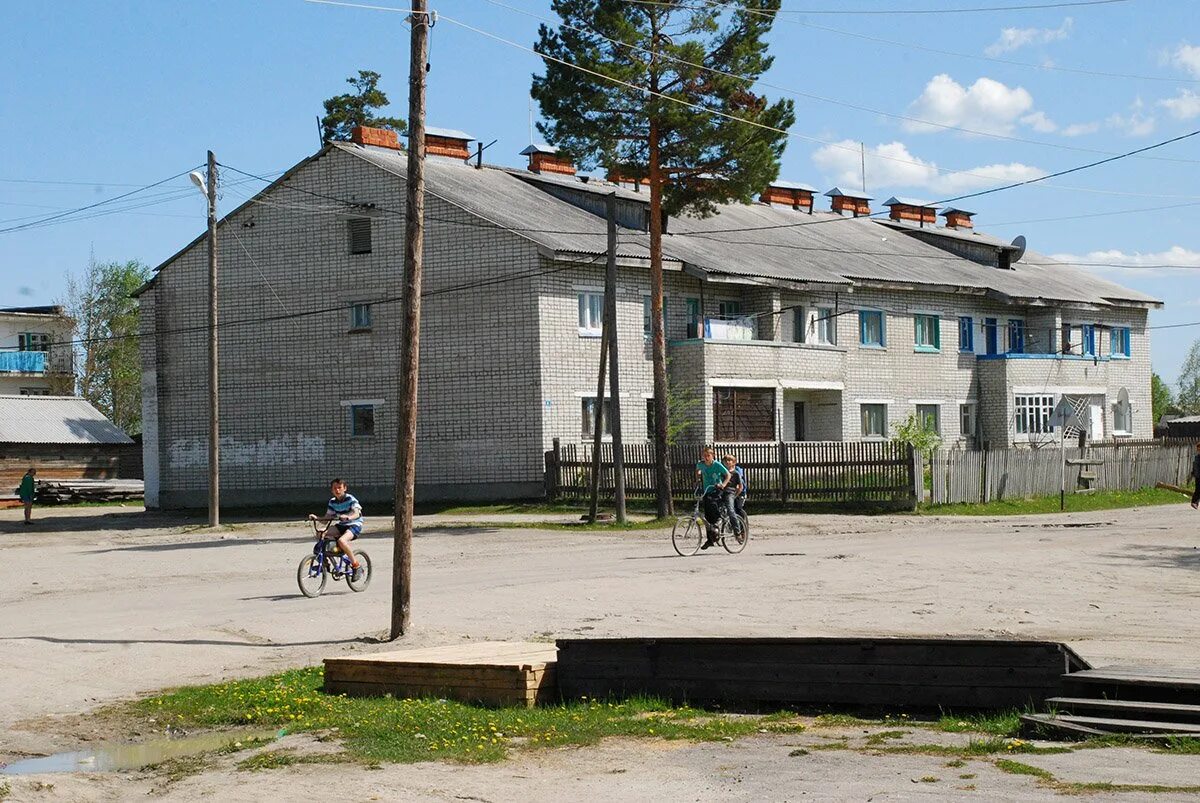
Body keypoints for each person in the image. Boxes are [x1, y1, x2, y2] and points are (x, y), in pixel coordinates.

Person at [309, 478, 364, 578]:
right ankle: (324, 563)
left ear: (345, 488)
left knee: (342, 541)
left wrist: (348, 517)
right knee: (321, 533)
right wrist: (316, 518)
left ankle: (356, 566)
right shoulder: (332, 502)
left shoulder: (350, 499)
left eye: (339, 488)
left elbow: (357, 513)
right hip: (342, 525)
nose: (337, 490)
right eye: (335, 488)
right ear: (332, 490)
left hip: (354, 525)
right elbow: (327, 519)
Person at [694, 447, 729, 549]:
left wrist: (723, 484)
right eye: (704, 455)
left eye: (708, 455)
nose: (706, 457)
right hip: (706, 490)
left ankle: (719, 519)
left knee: (712, 502)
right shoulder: (700, 464)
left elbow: (728, 475)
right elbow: (697, 471)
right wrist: (698, 478)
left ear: (712, 456)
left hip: (716, 489)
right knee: (707, 518)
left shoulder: (717, 464)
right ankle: (710, 540)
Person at [722, 454, 748, 532]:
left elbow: (740, 485)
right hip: (729, 492)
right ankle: (729, 525)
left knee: (738, 509)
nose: (727, 462)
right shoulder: (723, 471)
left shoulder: (737, 471)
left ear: (734, 462)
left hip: (740, 493)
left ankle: (742, 529)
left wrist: (736, 494)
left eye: (729, 460)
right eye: (726, 461)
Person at [1191, 443, 1200, 510]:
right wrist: (1194, 473)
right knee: (1198, 489)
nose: (1199, 449)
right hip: (1198, 476)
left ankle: (1195, 502)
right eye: (1198, 448)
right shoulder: (1197, 457)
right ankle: (1194, 502)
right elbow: (1195, 467)